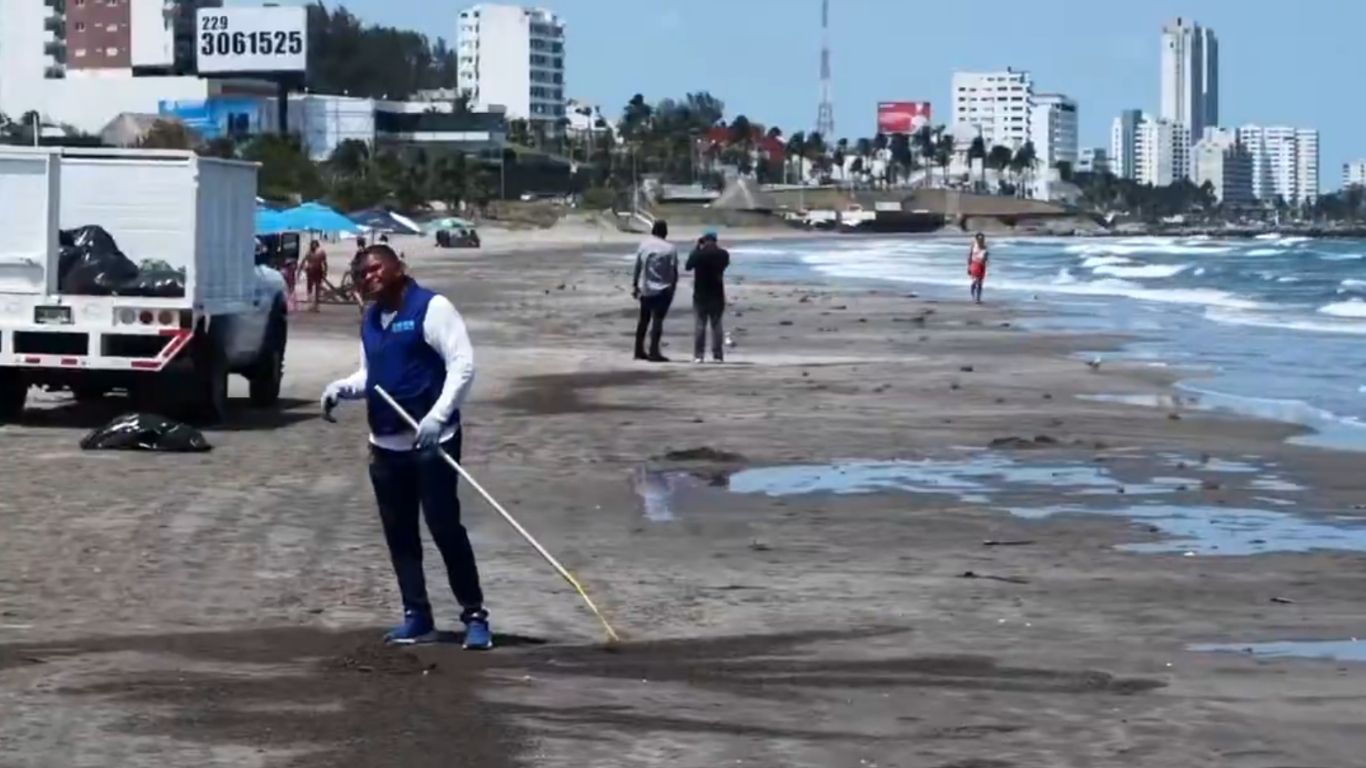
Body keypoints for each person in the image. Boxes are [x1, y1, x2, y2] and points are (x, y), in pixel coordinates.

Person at [320, 244, 492, 650]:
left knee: (444, 527)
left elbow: (462, 364)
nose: (368, 276)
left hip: (433, 442)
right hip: (385, 445)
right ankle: (417, 616)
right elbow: (370, 376)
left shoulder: (432, 308)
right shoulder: (371, 319)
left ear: (399, 267)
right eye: (361, 273)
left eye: (376, 268)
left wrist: (439, 414)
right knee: (400, 534)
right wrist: (341, 388)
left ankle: (475, 615)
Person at [631, 220, 678, 362]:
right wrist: (673, 287)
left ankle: (638, 350)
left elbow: (637, 266)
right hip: (662, 288)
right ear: (665, 232)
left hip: (646, 288)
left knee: (643, 321)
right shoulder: (670, 248)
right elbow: (673, 270)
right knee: (657, 320)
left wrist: (634, 285)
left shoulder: (644, 245)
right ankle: (654, 351)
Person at [686, 230, 730, 363]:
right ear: (715, 240)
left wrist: (697, 248)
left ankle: (699, 355)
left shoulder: (699, 254)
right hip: (717, 293)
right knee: (716, 325)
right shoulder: (723, 254)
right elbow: (724, 266)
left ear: (704, 240)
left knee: (700, 325)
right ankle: (717, 355)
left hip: (701, 293)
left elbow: (688, 266)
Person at [303, 240, 328, 312]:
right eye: (312, 245)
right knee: (310, 288)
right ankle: (310, 304)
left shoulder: (321, 253)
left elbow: (325, 263)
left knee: (317, 288)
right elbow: (303, 262)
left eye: (315, 245)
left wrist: (325, 272)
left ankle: (316, 305)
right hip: (310, 272)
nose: (314, 246)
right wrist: (303, 268)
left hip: (318, 272)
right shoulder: (308, 253)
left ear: (317, 245)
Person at [967, 232, 989, 304]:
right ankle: (973, 295)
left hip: (982, 265)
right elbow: (969, 256)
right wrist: (968, 267)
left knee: (980, 283)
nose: (981, 239)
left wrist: (985, 258)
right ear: (976, 239)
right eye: (979, 238)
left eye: (982, 238)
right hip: (974, 264)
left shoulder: (985, 246)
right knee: (976, 281)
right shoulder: (973, 245)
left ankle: (978, 298)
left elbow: (986, 257)